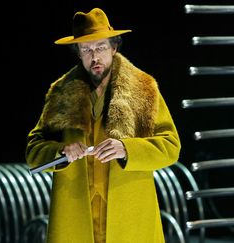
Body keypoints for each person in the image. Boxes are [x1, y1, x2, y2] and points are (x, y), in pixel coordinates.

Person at [25, 7, 181, 243]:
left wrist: (127, 149)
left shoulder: (142, 89)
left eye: (100, 47)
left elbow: (171, 146)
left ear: (114, 47)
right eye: (86, 49)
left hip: (129, 220)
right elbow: (33, 149)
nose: (94, 57)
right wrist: (60, 151)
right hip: (76, 219)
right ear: (78, 53)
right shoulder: (61, 93)